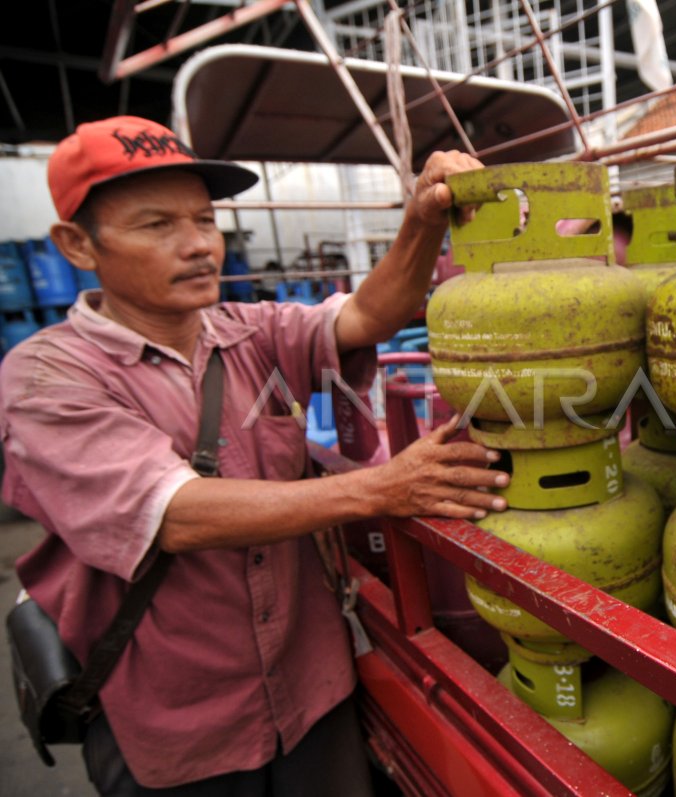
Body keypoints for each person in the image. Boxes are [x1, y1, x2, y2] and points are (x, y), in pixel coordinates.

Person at [0, 116, 506, 796]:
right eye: (157, 226)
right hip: (183, 724)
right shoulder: (46, 379)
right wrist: (382, 489)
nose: (198, 245)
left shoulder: (249, 332)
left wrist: (422, 220)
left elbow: (368, 315)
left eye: (205, 220)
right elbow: (172, 512)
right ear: (76, 244)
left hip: (312, 692)